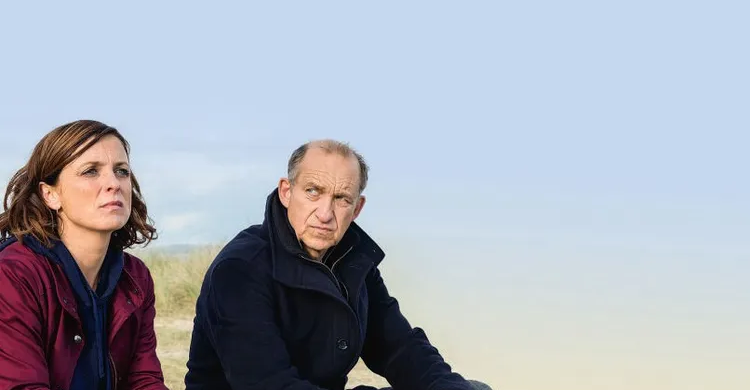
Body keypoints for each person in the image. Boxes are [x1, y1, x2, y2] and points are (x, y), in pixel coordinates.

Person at [184, 139, 491, 390]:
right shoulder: (240, 269)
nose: (325, 214)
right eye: (313, 191)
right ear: (286, 192)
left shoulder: (354, 261)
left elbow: (399, 347)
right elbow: (266, 383)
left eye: (342, 198)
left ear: (357, 208)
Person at [0, 120, 168, 390]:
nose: (113, 183)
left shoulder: (134, 277)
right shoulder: (13, 275)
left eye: (122, 171)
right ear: (50, 194)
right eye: (91, 171)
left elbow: (144, 381)